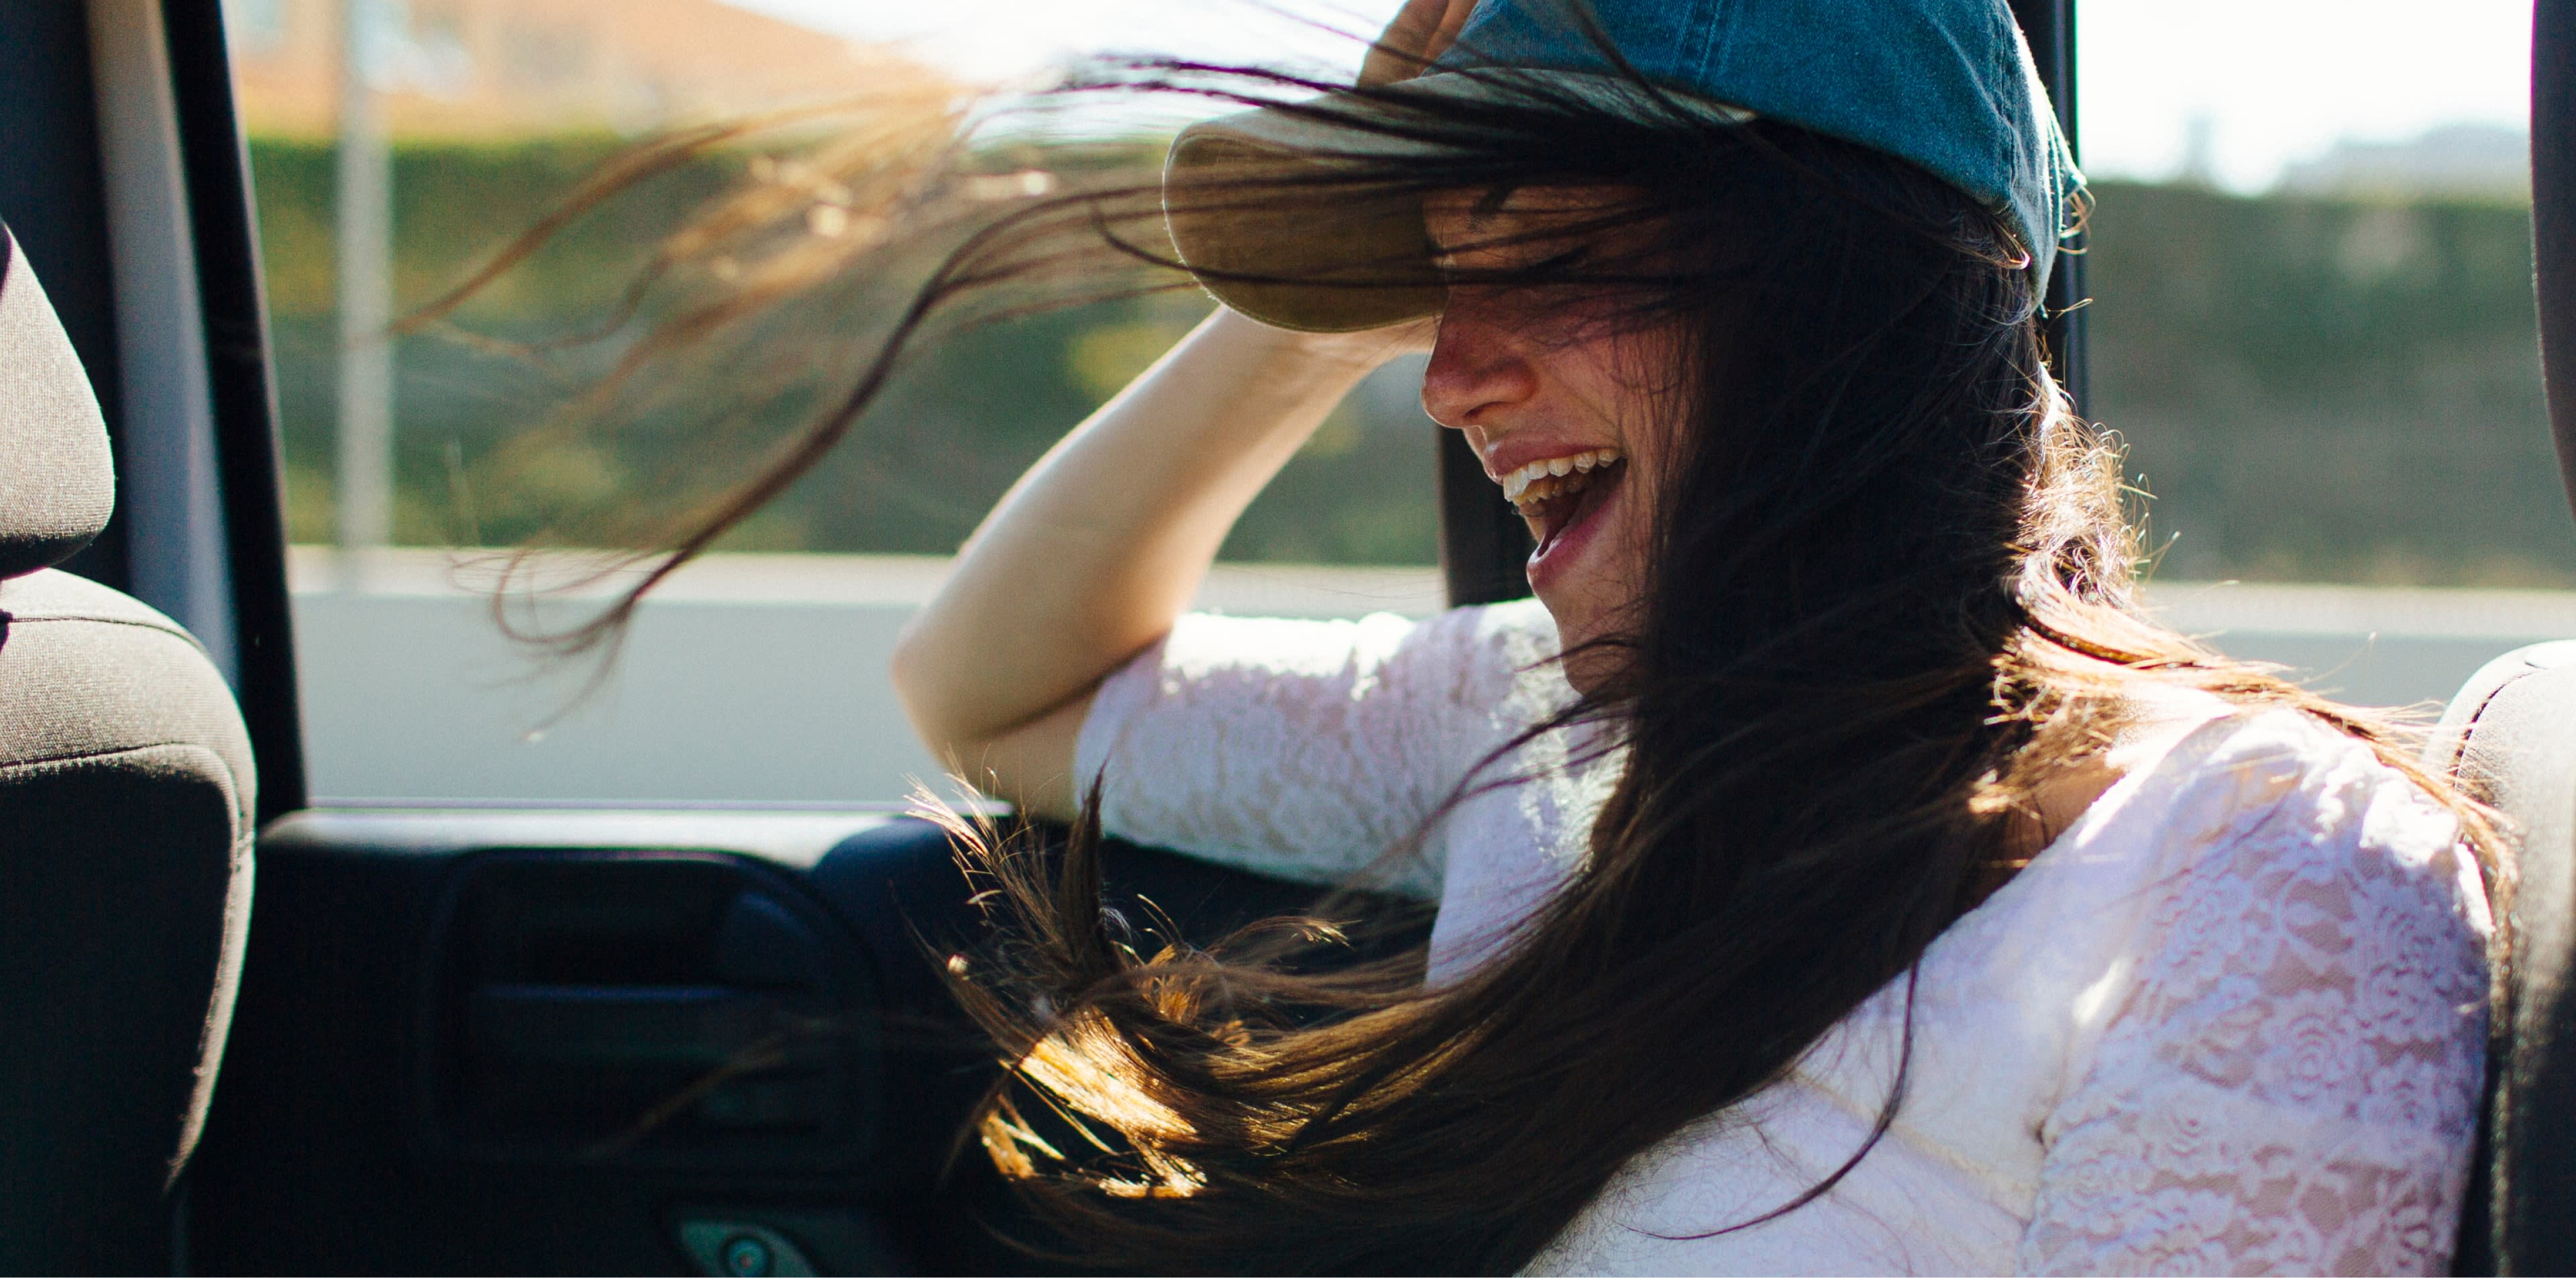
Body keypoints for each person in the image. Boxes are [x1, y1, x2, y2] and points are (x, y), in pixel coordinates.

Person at [432, 0, 2498, 1269]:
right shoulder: (1556, 729)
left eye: (1552, 257)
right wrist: (1307, 287)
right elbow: (993, 691)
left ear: (1834, 283)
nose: (1444, 376)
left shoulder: (2261, 877)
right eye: (1434, 285)